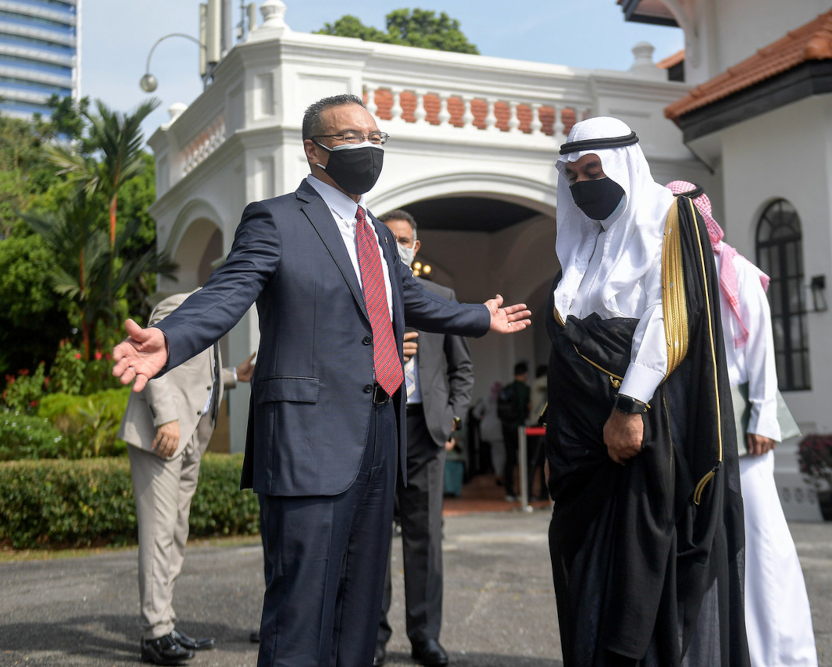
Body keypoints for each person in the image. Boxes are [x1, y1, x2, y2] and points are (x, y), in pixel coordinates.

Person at [111, 93, 530, 667]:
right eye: (354, 137)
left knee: (360, 611)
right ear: (315, 150)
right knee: (300, 614)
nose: (370, 148)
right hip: (307, 443)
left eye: (377, 138)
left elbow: (404, 297)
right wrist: (174, 337)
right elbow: (230, 290)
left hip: (379, 440)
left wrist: (481, 316)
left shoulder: (379, 234)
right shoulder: (275, 218)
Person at [545, 116, 749, 666]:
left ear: (623, 165)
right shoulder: (585, 239)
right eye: (573, 175)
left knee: (640, 562)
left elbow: (669, 318)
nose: (584, 184)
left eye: (594, 170)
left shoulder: (667, 215)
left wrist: (629, 406)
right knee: (578, 553)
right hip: (580, 434)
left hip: (635, 420)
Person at [668, 181, 818, 667]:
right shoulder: (666, 272)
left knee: (759, 534)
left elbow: (762, 354)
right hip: (691, 420)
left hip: (741, 417)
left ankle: (778, 654)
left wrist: (764, 418)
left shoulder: (736, 270)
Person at [117, 290, 255, 666]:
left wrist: (233, 376)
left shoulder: (216, 312)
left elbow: (195, 374)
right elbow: (151, 358)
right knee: (160, 533)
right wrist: (165, 417)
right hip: (161, 435)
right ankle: (154, 633)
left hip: (191, 436)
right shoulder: (180, 303)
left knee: (176, 532)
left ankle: (165, 621)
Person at [374, 209, 475, 667]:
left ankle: (424, 636)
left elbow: (463, 368)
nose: (398, 244)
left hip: (426, 429)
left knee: (425, 540)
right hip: (377, 428)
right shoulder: (367, 297)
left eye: (405, 239)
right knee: (373, 539)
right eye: (389, 237)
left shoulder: (442, 297)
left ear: (416, 247)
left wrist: (453, 416)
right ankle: (371, 636)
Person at [498, 362, 531, 502]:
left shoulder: (507, 388)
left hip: (506, 427)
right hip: (520, 429)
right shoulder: (525, 389)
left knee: (509, 459)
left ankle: (509, 491)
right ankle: (524, 491)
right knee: (524, 460)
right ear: (525, 374)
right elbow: (527, 408)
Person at [528, 365, 549, 500]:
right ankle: (529, 493)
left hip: (541, 425)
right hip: (537, 424)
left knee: (542, 460)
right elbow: (553, 378)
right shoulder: (537, 383)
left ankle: (543, 494)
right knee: (535, 461)